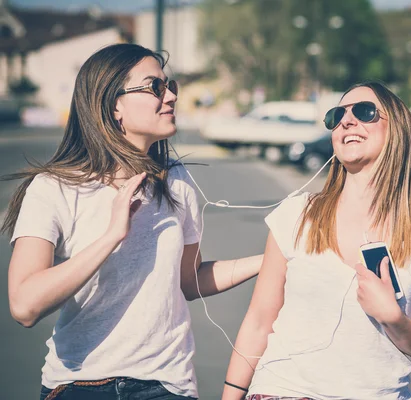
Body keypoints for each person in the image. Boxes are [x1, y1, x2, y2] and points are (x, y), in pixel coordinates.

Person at [1, 43, 262, 400]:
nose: (170, 96)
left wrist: (270, 260)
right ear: (113, 106)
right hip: (80, 384)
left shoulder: (176, 181)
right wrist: (110, 237)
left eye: (171, 86)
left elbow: (188, 281)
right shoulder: (53, 188)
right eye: (155, 86)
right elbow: (24, 306)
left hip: (166, 386)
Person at [223, 81, 411, 400]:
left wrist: (393, 318)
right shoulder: (297, 213)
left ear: (398, 130)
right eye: (337, 115)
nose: (347, 121)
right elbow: (258, 322)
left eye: (364, 112)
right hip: (282, 391)